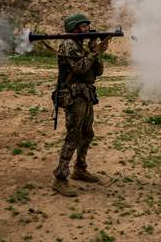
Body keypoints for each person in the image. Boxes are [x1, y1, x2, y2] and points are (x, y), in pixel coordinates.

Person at [52, 13, 110, 197]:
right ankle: (60, 178)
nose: (87, 29)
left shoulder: (82, 45)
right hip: (73, 95)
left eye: (87, 26)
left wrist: (95, 49)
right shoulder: (68, 45)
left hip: (85, 94)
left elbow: (98, 71)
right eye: (83, 26)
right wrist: (95, 52)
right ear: (74, 28)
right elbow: (79, 68)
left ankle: (80, 168)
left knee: (87, 133)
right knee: (73, 136)